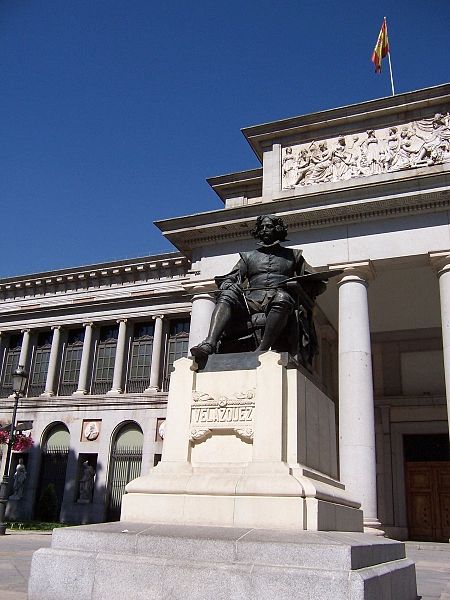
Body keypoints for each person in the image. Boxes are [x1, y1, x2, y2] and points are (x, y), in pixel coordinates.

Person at [190, 215, 323, 361]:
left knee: (282, 297)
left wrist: (301, 287)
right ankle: (209, 343)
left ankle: (262, 349)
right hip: (251, 303)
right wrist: (228, 283)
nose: (265, 229)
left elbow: (317, 283)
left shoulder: (294, 256)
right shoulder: (248, 257)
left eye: (269, 226)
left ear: (278, 229)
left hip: (278, 300)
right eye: (262, 227)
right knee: (228, 293)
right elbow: (230, 277)